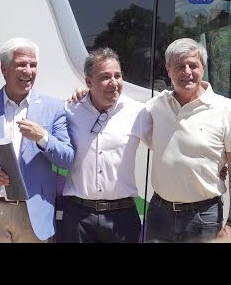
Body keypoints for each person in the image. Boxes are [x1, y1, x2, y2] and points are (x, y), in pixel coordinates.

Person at [0, 37, 75, 243]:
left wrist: (43, 137)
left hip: (34, 214)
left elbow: (67, 157)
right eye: (21, 64)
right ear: (4, 69)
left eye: (33, 65)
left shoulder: (54, 108)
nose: (28, 70)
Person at [144, 38, 231, 242]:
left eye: (193, 65)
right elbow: (116, 106)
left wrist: (230, 223)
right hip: (159, 213)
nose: (187, 72)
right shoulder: (156, 105)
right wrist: (85, 93)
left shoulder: (225, 109)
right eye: (179, 66)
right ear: (168, 69)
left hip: (204, 217)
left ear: (203, 67)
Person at [61, 47, 151, 243]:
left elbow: (168, 144)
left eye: (117, 76)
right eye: (105, 77)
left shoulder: (139, 112)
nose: (114, 83)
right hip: (78, 217)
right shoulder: (69, 109)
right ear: (88, 82)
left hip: (122, 217)